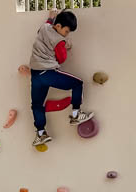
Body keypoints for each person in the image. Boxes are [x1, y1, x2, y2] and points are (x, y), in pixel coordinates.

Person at [28, 10, 94, 147]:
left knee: (37, 105)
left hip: (35, 75)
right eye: (67, 31)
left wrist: (51, 17)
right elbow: (61, 58)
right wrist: (66, 46)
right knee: (77, 83)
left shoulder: (45, 28)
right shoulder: (59, 40)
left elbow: (46, 25)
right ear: (58, 26)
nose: (66, 34)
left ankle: (40, 133)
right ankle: (76, 113)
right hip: (48, 73)